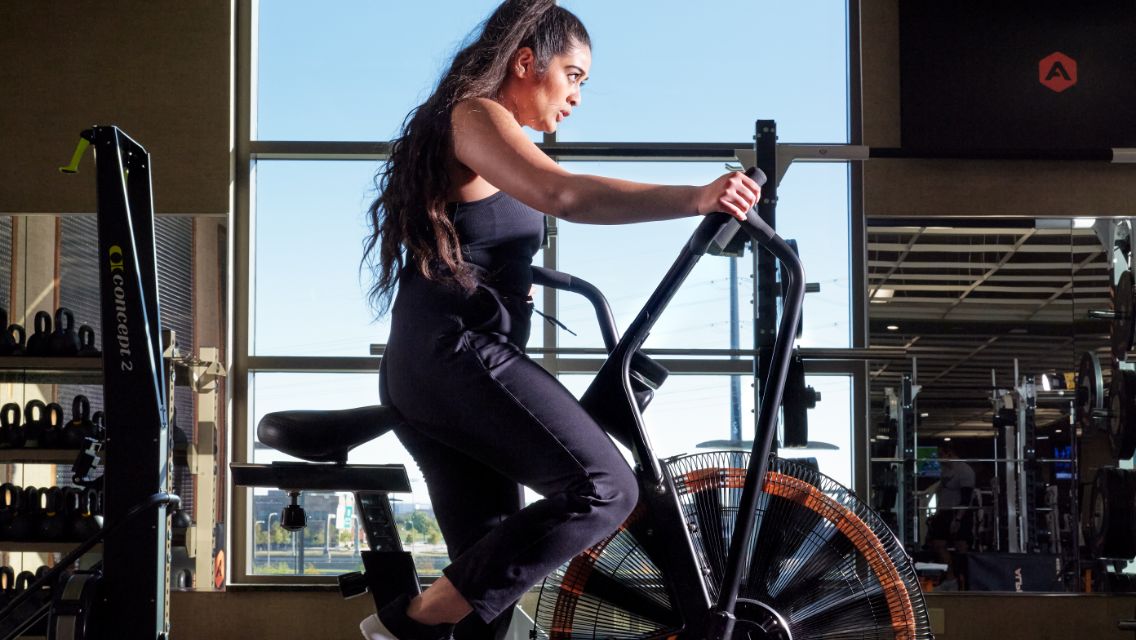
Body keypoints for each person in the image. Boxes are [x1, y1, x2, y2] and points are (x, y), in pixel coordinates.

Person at [359, 2, 761, 639]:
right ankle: (405, 625)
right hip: (454, 357)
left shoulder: (482, 131)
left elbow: (478, 242)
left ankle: (428, 626)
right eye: (572, 75)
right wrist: (697, 198)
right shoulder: (475, 115)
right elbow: (563, 195)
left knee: (484, 592)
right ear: (526, 62)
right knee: (608, 487)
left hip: (435, 364)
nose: (576, 96)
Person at [925, 441, 976, 590]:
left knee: (961, 547)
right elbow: (942, 493)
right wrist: (936, 513)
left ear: (950, 453)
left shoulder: (965, 471)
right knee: (938, 544)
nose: (939, 458)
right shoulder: (945, 470)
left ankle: (965, 580)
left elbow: (966, 498)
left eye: (941, 455)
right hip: (944, 513)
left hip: (959, 513)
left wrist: (958, 518)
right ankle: (951, 578)